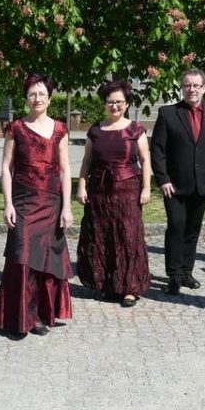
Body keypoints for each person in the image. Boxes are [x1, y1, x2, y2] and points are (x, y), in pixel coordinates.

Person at [0, 73, 74, 338]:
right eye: (31, 94)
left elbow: (64, 170)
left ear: (49, 98)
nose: (37, 98)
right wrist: (7, 204)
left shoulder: (60, 129)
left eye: (41, 94)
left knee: (46, 261)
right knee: (22, 258)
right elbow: (5, 168)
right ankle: (18, 317)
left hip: (51, 202)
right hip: (24, 202)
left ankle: (38, 314)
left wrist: (67, 207)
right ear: (26, 98)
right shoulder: (15, 128)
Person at [151, 68, 205, 295]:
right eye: (187, 85)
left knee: (193, 230)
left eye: (196, 85)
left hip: (202, 183)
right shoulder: (168, 113)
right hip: (174, 185)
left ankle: (187, 272)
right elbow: (158, 150)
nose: (191, 89)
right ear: (182, 87)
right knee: (176, 227)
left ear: (204, 88)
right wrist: (163, 179)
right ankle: (174, 275)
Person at [76, 81, 151, 307]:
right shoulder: (95, 130)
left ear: (126, 104)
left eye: (119, 102)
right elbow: (87, 161)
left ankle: (129, 288)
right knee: (102, 235)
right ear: (105, 105)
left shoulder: (135, 130)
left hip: (127, 191)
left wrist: (146, 188)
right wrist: (81, 186)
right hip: (99, 192)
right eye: (110, 102)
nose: (115, 106)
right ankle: (109, 284)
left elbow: (145, 160)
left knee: (127, 236)